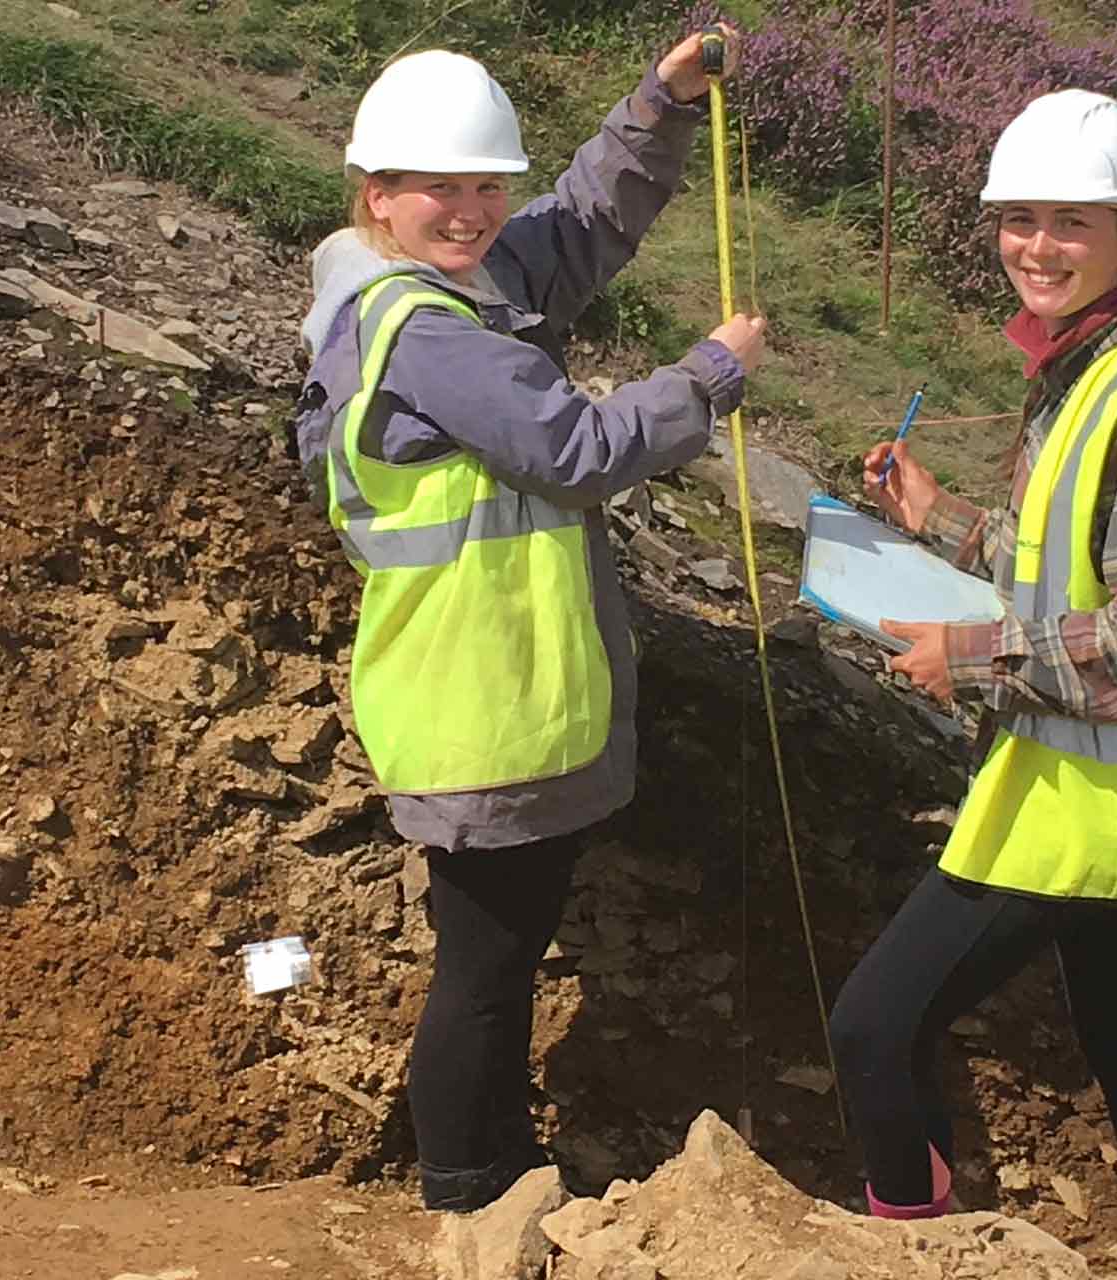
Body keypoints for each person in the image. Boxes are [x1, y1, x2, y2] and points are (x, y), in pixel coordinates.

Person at [293, 32, 766, 1212]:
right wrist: (706, 374)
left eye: (486, 186)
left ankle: (487, 1170)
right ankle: (467, 1189)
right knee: (488, 972)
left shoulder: (441, 280)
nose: (471, 212)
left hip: (500, 694)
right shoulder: (428, 332)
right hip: (484, 704)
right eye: (440, 189)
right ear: (378, 194)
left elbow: (574, 231)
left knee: (492, 961)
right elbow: (578, 447)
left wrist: (659, 105)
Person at [829, 90, 1117, 1279]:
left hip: (1078, 808)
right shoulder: (1094, 369)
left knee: (873, 1025)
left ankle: (909, 1256)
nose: (1037, 244)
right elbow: (1051, 557)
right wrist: (933, 515)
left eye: (1072, 220)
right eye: (1018, 217)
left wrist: (960, 657)